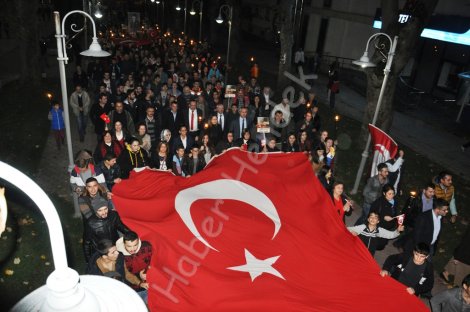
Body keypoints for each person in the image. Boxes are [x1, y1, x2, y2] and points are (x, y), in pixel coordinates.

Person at [87, 239, 148, 303]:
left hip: (123, 289)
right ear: (104, 256)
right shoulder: (93, 271)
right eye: (113, 252)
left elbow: (127, 274)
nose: (117, 253)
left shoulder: (119, 257)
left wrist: (140, 283)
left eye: (116, 250)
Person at [83, 196, 131, 262]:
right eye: (100, 210)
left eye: (105, 209)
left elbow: (122, 227)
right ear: (95, 210)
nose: (104, 212)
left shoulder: (114, 215)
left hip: (115, 247)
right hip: (102, 251)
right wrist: (88, 260)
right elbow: (86, 243)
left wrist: (131, 235)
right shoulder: (90, 223)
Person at [369, 184, 398, 251]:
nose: (392, 196)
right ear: (384, 193)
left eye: (393, 193)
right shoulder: (379, 202)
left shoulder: (395, 202)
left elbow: (394, 212)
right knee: (373, 245)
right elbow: (371, 213)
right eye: (389, 194)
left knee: (381, 245)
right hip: (378, 227)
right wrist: (383, 217)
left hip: (388, 228)